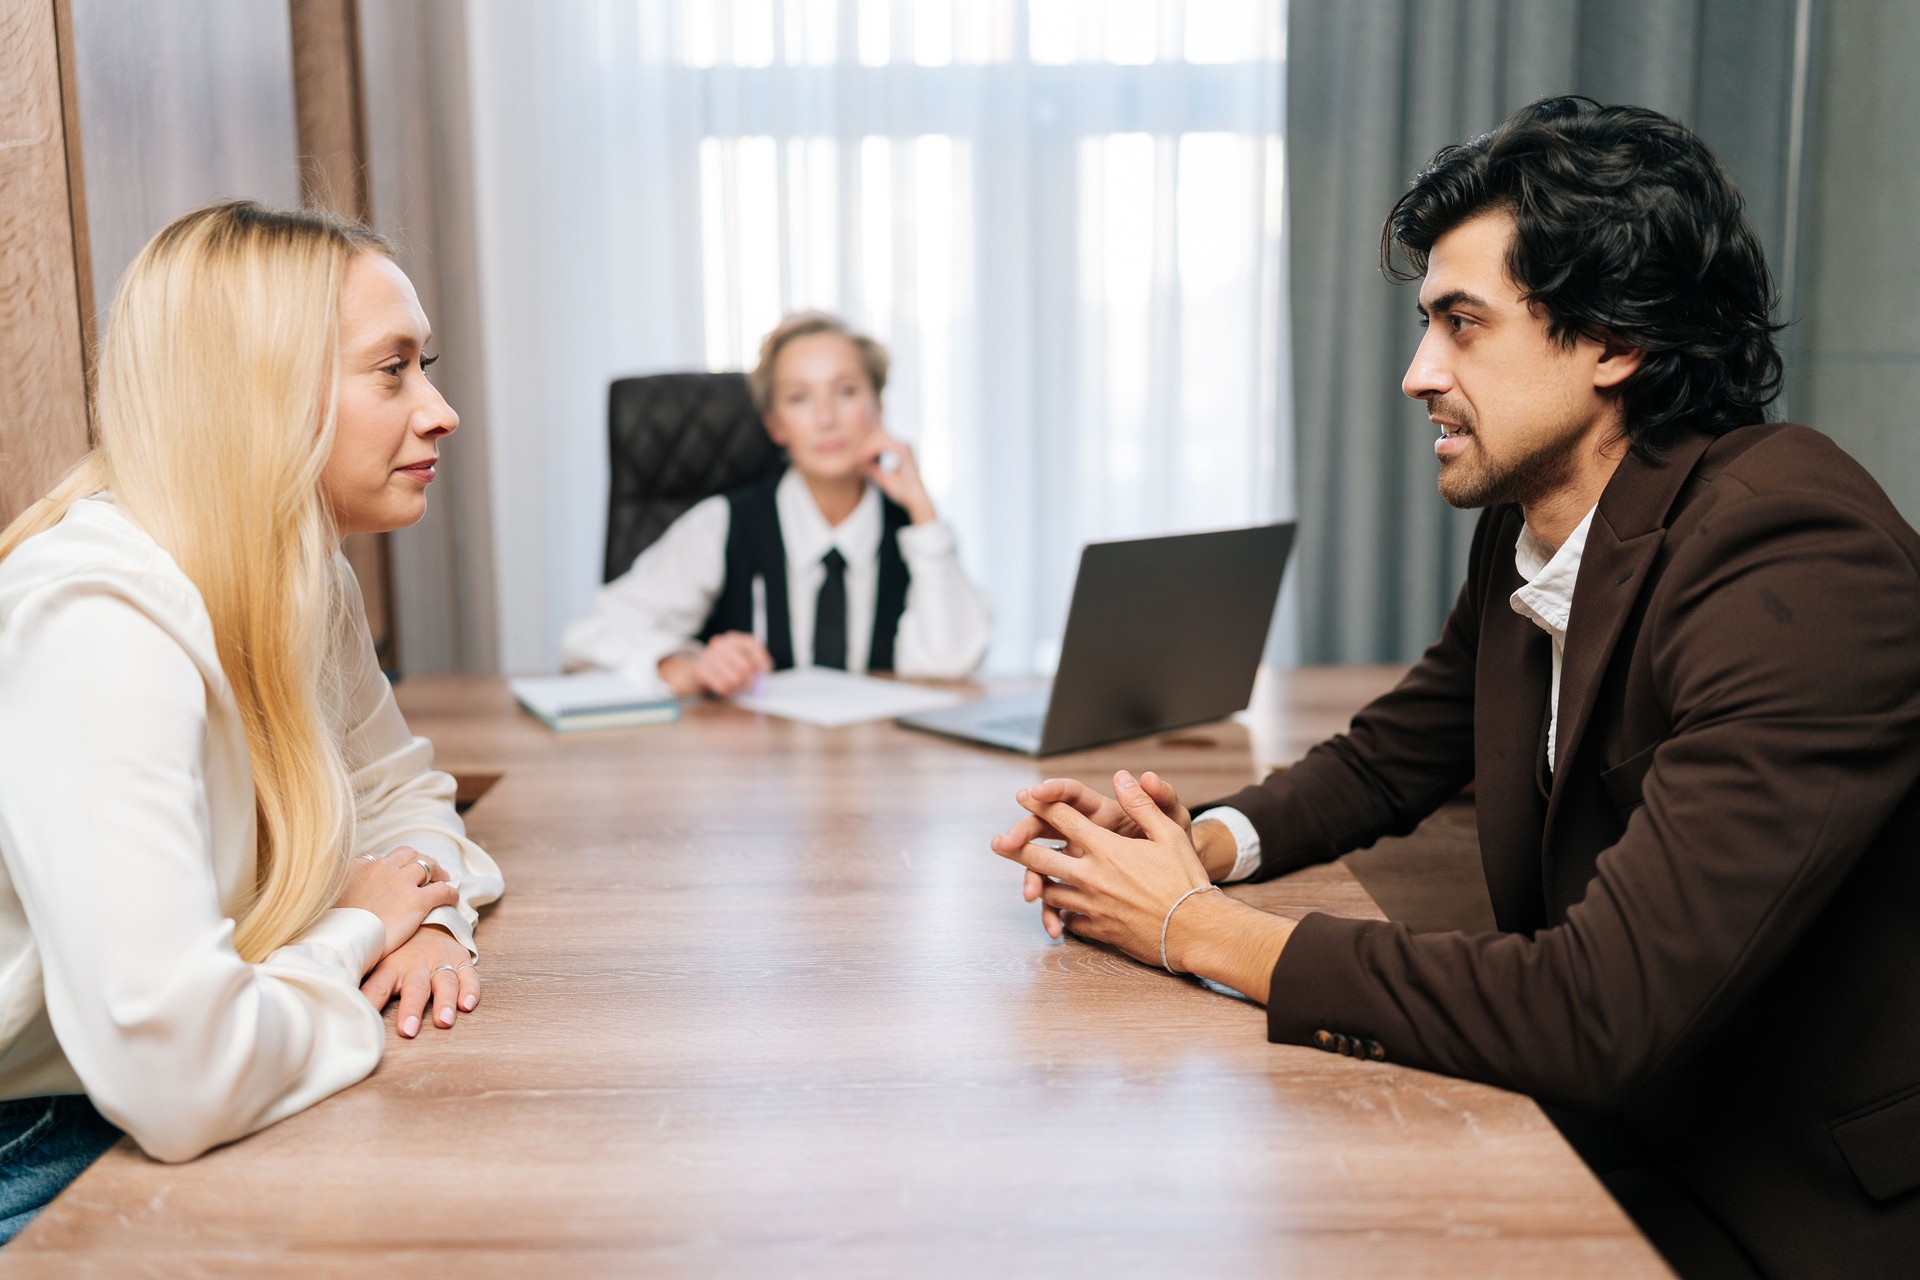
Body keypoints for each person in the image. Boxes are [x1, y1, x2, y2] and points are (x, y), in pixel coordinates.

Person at [990, 97, 1920, 1279]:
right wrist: (1193, 842)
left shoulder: (1793, 552)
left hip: (1794, 1206)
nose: (1416, 374)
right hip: (1625, 1131)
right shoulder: (1546, 522)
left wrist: (1190, 928)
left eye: (1461, 324)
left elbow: (1599, 1003)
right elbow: (1396, 752)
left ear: (1612, 341)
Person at [0, 201, 505, 1237]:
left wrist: (434, 923)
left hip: (170, 1085)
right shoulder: (97, 620)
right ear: (260, 389)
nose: (441, 408)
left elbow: (399, 792)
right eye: (394, 367)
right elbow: (178, 1075)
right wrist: (362, 925)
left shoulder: (301, 572)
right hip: (47, 1137)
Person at [562, 312, 990, 696]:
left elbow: (949, 666)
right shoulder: (723, 524)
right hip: (753, 774)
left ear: (877, 405)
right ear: (775, 425)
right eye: (799, 398)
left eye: (845, 391)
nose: (825, 418)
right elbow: (587, 637)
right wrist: (679, 663)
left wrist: (923, 513)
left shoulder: (914, 536)